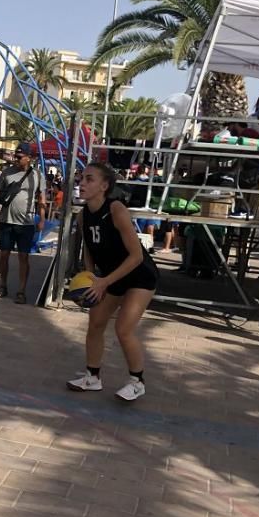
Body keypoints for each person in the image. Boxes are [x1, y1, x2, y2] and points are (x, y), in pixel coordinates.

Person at [67, 163, 159, 402]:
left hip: (139, 275)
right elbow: (88, 247)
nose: (82, 183)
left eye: (89, 179)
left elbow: (137, 255)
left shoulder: (116, 209)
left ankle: (137, 382)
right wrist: (89, 277)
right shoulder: (83, 214)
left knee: (123, 329)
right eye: (81, 178)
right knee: (95, 322)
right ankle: (92, 377)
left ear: (104, 186)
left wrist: (104, 281)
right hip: (108, 276)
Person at [0, 143, 46, 304]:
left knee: (23, 257)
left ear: (29, 158)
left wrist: (41, 219)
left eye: (19, 157)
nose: (16, 159)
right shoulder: (7, 173)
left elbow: (42, 199)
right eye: (15, 156)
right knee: (4, 255)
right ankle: (3, 285)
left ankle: (21, 290)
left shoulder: (37, 176)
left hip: (26, 223)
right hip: (6, 220)